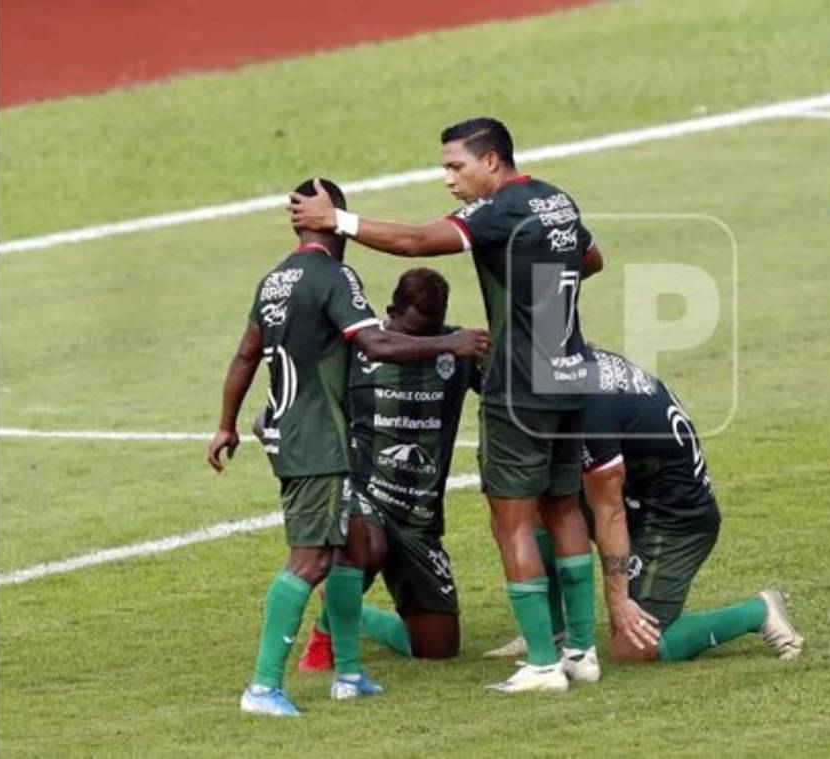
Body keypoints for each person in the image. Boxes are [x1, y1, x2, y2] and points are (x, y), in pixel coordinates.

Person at [290, 117, 604, 692]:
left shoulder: (500, 209)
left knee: (512, 521)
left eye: (455, 165)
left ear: (492, 162)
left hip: (521, 387)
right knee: (563, 509)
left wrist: (335, 220)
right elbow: (591, 261)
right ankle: (581, 652)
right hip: (569, 376)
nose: (447, 178)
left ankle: (540, 664)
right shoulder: (558, 201)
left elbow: (414, 241)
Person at [207, 178, 489, 718]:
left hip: (296, 433)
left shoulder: (274, 281)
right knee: (309, 559)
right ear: (332, 216)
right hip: (318, 440)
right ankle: (262, 687)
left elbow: (246, 356)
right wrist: (450, 343)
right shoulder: (334, 276)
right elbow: (377, 342)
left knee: (347, 550)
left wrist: (226, 425)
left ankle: (350, 673)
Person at [496, 348, 805, 663]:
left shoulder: (590, 411)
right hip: (641, 499)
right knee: (532, 504)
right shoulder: (575, 365)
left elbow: (610, 512)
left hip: (676, 523)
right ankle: (552, 633)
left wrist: (617, 601)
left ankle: (759, 611)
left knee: (635, 647)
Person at [289, 267, 481, 668]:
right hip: (364, 496)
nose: (423, 343)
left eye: (432, 333)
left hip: (419, 518)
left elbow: (512, 391)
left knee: (438, 650)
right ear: (390, 312)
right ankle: (326, 640)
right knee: (367, 545)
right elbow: (301, 404)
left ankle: (351, 613)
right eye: (412, 333)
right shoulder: (355, 347)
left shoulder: (459, 351)